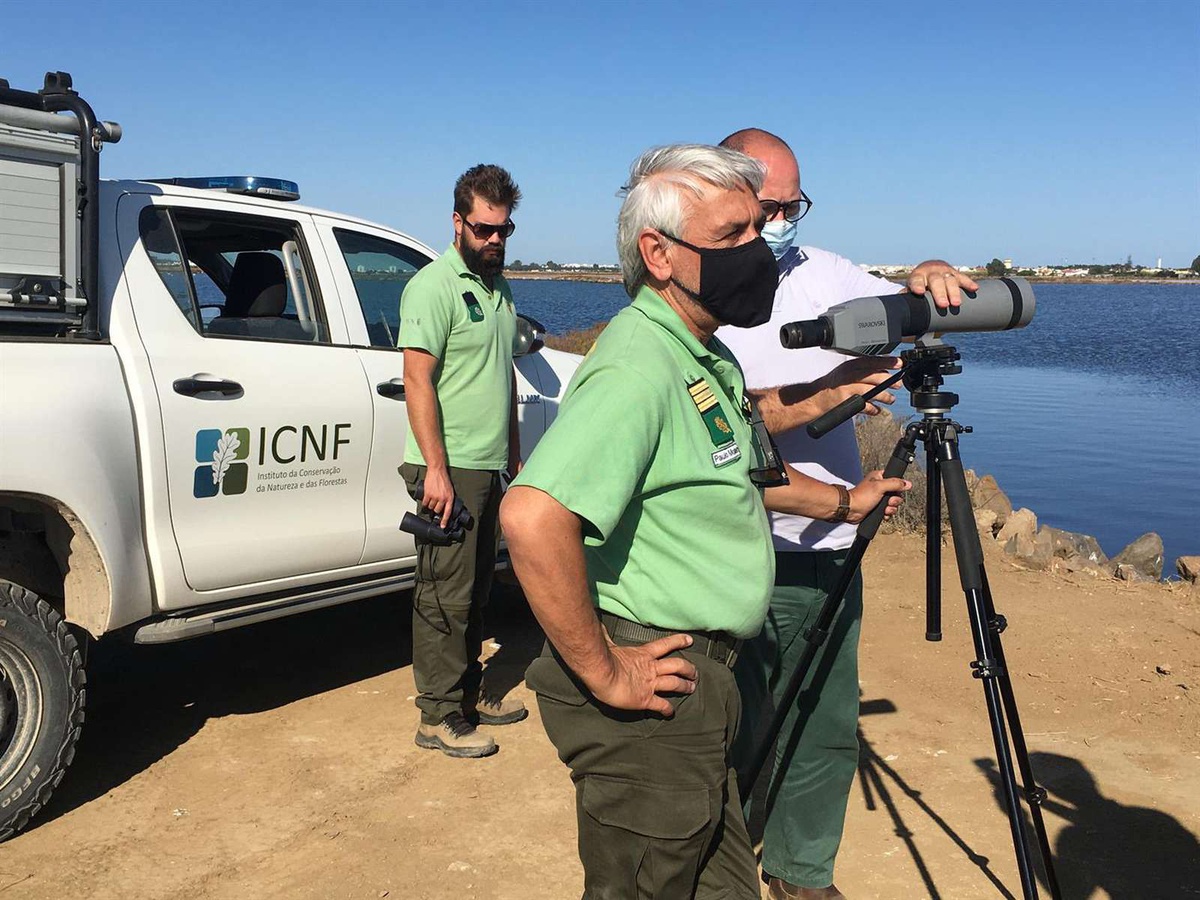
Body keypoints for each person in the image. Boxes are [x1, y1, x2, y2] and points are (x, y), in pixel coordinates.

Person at [500, 144, 909, 899]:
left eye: (759, 229)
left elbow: (742, 477)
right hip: (654, 684)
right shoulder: (639, 366)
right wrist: (603, 669)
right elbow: (531, 516)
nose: (757, 252)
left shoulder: (703, 357)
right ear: (658, 253)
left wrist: (845, 504)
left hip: (705, 686)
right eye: (732, 237)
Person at [715, 127, 977, 900]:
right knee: (731, 720)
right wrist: (829, 394)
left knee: (825, 718)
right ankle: (720, 867)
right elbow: (726, 422)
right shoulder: (703, 294)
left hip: (827, 541)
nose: (784, 219)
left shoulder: (827, 275)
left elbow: (908, 309)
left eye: (796, 204)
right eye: (770, 205)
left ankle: (800, 871)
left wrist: (923, 277)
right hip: (733, 541)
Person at [398, 163, 528, 759]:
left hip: (489, 465)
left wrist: (516, 455)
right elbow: (417, 381)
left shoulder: (499, 291)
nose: (494, 241)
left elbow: (500, 378)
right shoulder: (432, 287)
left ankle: (469, 697)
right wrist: (437, 471)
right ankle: (438, 715)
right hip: (446, 469)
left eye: (503, 230)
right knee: (443, 595)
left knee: (475, 593)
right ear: (458, 223)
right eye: (484, 230)